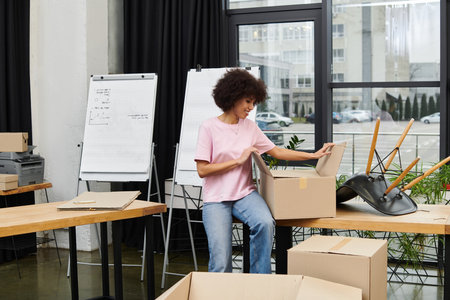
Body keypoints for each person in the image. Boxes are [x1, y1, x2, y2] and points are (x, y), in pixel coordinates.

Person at [194, 68, 334, 274]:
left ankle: (261, 283)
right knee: (221, 260)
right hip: (216, 198)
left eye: (253, 102)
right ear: (233, 97)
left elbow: (276, 151)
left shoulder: (250, 127)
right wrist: (237, 161)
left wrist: (313, 156)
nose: (251, 107)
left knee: (265, 223)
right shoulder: (208, 127)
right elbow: (202, 170)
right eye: (248, 101)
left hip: (245, 194)